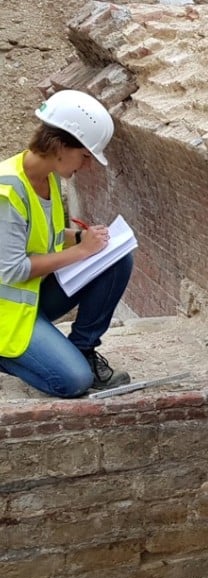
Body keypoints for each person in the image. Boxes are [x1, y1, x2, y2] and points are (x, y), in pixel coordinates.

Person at [0, 89, 133, 398]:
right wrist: (80, 252)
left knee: (116, 259)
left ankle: (82, 348)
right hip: (7, 314)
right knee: (73, 381)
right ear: (60, 146)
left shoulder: (48, 179)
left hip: (30, 300)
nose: (86, 165)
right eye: (85, 155)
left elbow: (47, 237)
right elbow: (12, 270)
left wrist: (81, 240)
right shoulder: (7, 193)